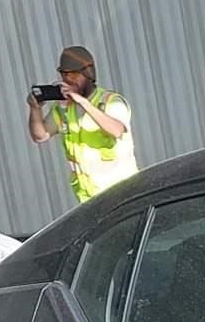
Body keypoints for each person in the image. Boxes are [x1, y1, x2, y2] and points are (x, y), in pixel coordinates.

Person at [27, 45, 137, 204]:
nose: (69, 80)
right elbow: (40, 135)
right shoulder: (64, 108)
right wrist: (35, 109)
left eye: (74, 74)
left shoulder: (110, 102)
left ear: (88, 73)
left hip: (122, 194)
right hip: (88, 199)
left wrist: (82, 102)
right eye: (65, 75)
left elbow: (117, 130)